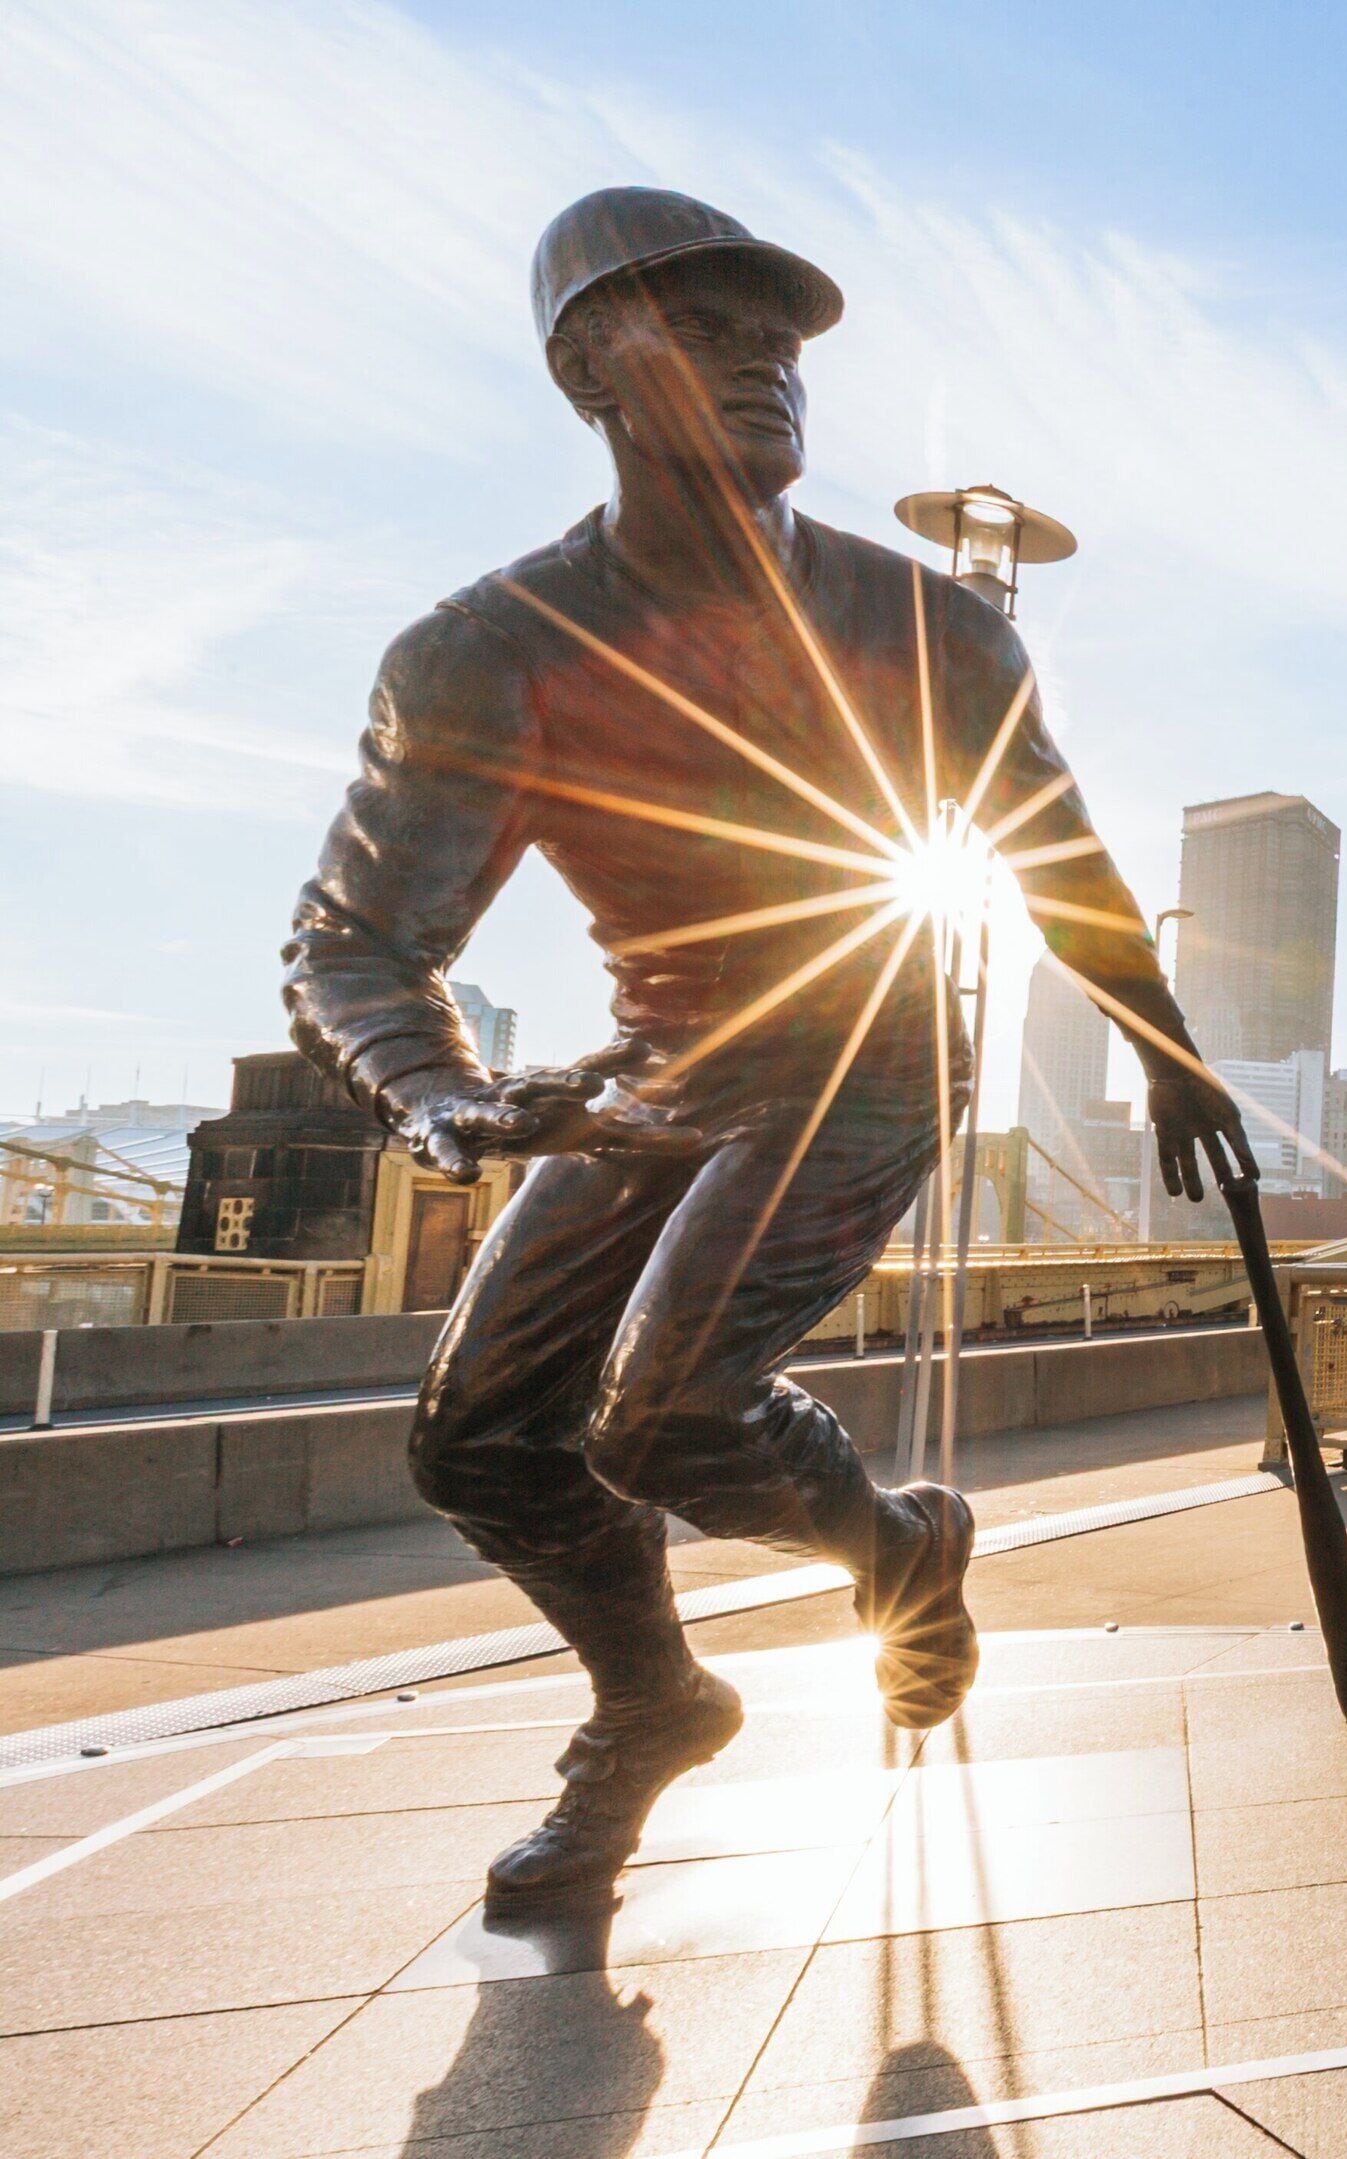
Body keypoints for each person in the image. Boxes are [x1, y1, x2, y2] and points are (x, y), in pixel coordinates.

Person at [281, 187, 1246, 1909]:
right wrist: (450, 1098)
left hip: (871, 1045)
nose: (767, 371)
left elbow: (1051, 852)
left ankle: (889, 1553)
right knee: (475, 1437)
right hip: (663, 1069)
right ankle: (663, 1696)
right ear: (587, 369)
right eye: (708, 334)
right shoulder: (488, 652)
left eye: (781, 346)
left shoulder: (939, 628)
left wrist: (1161, 1045)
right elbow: (360, 940)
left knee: (664, 1415)